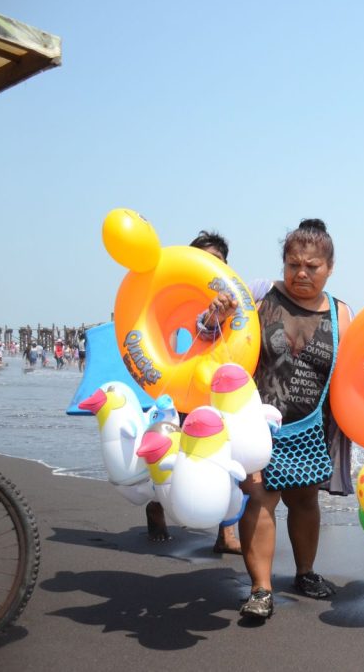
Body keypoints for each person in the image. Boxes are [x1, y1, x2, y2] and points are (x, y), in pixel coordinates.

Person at [204, 219, 364, 620]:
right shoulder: (260, 297)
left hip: (311, 424)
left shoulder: (341, 313)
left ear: (330, 268)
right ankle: (261, 589)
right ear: (283, 264)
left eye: (311, 266)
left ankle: (305, 573)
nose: (301, 273)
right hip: (256, 423)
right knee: (260, 498)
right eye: (293, 264)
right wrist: (216, 316)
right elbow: (213, 336)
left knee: (304, 499)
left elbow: (355, 369)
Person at [145, 229, 241, 553]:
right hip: (186, 387)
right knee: (180, 455)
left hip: (218, 390)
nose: (211, 267)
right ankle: (158, 505)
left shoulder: (236, 302)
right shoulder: (184, 298)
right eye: (204, 260)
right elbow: (199, 327)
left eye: (219, 261)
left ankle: (225, 534)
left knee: (227, 455)